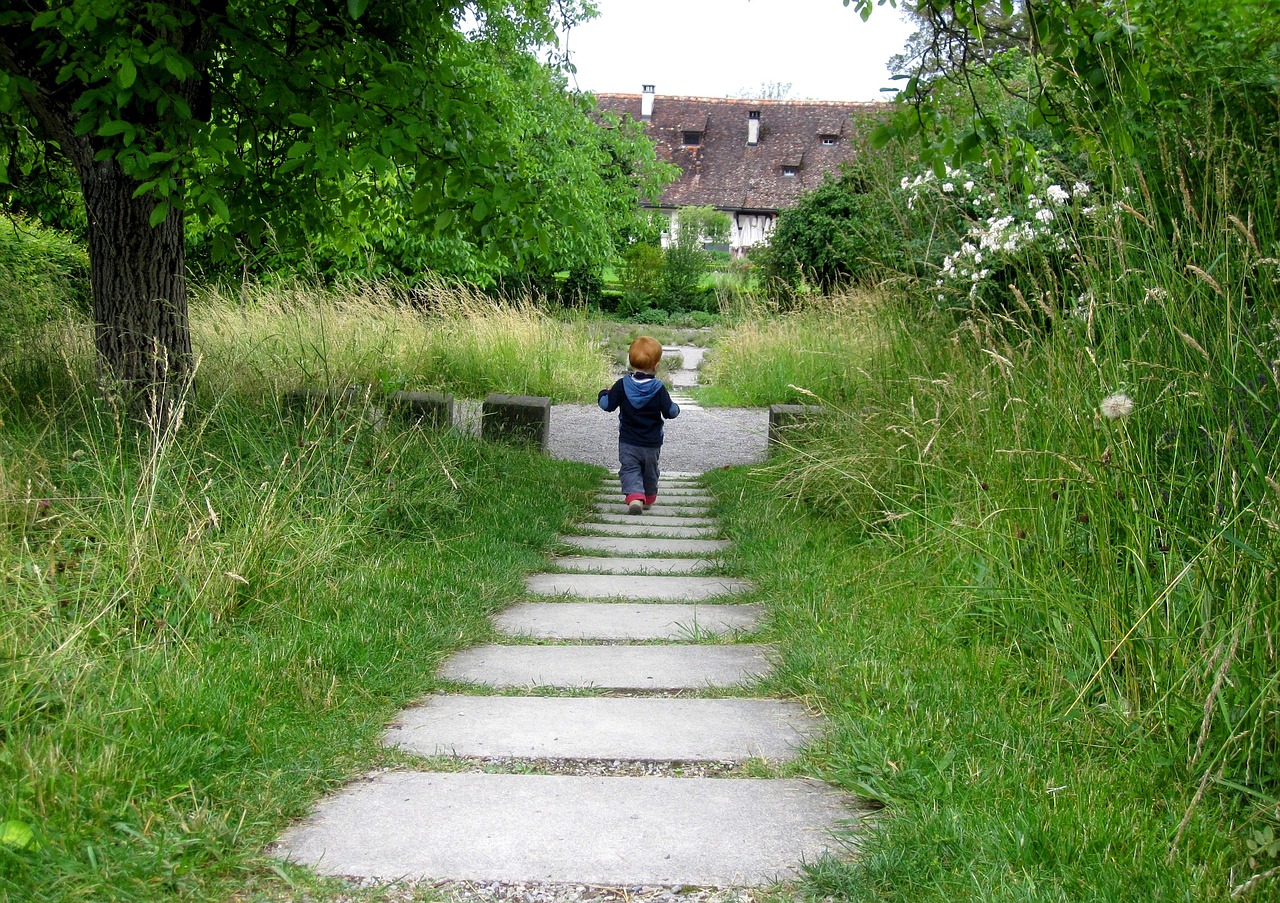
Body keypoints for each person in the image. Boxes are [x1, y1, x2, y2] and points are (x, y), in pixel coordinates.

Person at [598, 336, 680, 514]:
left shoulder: (621, 385)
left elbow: (607, 405)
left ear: (630, 361)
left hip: (628, 441)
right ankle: (648, 498)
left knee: (630, 468)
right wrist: (676, 408)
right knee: (650, 469)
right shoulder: (659, 388)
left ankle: (635, 497)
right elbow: (670, 412)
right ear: (657, 365)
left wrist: (603, 393)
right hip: (652, 442)